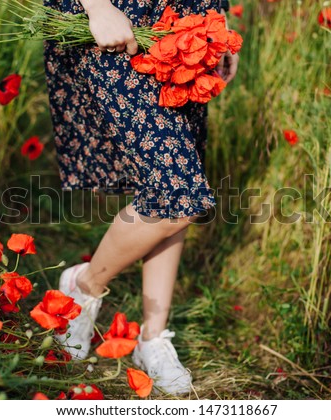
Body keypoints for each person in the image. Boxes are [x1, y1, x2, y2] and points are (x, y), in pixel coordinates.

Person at [43, 0, 239, 395]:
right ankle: (86, 285)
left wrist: (218, 26)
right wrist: (96, 6)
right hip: (115, 23)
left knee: (174, 182)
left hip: (187, 21)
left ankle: (152, 337)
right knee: (178, 193)